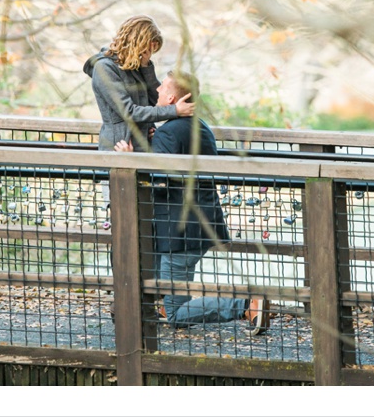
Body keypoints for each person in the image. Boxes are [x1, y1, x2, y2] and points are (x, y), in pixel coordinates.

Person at [114, 70, 270, 334]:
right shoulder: (201, 126)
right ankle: (165, 304)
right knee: (173, 297)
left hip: (179, 232)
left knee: (176, 315)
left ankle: (246, 304)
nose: (158, 92)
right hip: (203, 224)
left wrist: (131, 161)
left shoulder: (168, 133)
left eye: (162, 87)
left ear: (173, 96)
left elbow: (157, 181)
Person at [83, 15, 195, 153]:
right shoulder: (104, 68)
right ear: (136, 44)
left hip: (145, 147)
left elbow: (157, 101)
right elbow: (128, 112)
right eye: (147, 50)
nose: (148, 54)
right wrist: (175, 110)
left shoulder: (138, 65)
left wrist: (146, 67)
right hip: (120, 148)